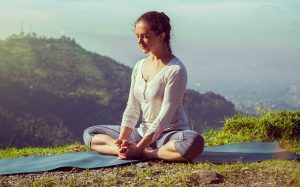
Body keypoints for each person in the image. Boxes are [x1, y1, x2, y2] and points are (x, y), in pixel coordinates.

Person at [83, 11, 204, 161]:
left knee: (194, 142)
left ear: (161, 36)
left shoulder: (175, 70)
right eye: (137, 36)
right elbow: (132, 108)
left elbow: (164, 117)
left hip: (169, 134)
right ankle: (123, 151)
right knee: (90, 133)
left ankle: (147, 153)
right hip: (142, 133)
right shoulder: (139, 66)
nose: (140, 41)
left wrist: (140, 148)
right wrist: (122, 142)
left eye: (145, 36)